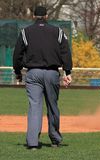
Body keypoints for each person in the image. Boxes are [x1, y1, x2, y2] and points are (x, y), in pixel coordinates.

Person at [13, 6, 72, 150]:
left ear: (34, 16)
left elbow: (17, 54)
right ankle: (55, 140)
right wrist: (67, 71)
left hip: (33, 74)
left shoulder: (25, 32)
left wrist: (18, 71)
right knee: (52, 106)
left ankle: (32, 143)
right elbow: (65, 52)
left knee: (34, 107)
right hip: (52, 73)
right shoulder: (57, 31)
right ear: (46, 16)